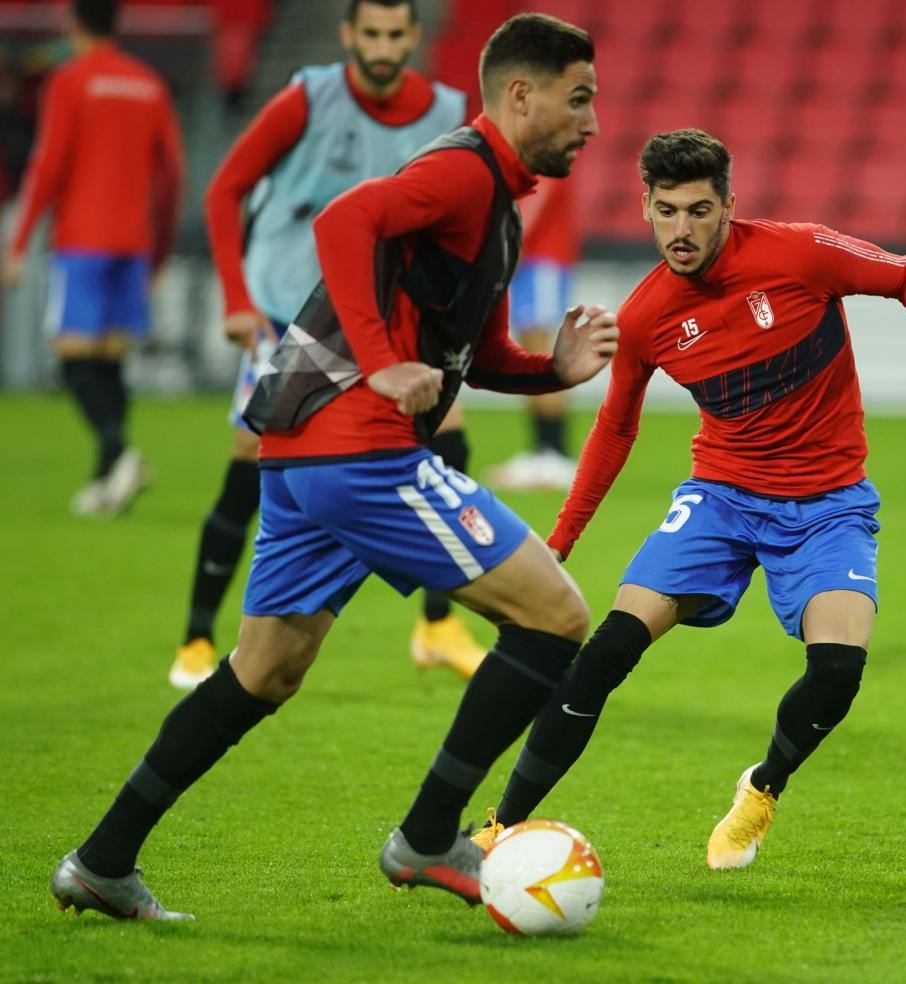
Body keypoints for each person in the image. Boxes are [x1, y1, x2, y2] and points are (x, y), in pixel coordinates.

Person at [50, 12, 615, 921]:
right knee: (556, 616)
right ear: (521, 95)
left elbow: (473, 352)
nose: (591, 122)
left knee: (261, 672)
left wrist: (550, 371)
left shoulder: (496, 205)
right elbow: (346, 217)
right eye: (579, 99)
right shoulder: (460, 170)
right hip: (362, 452)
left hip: (304, 454)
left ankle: (102, 860)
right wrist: (381, 358)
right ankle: (431, 838)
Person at [471, 129, 906, 870]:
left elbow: (905, 271)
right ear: (645, 206)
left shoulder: (798, 253)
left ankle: (762, 790)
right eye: (667, 211)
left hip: (829, 504)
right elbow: (615, 431)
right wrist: (562, 539)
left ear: (728, 208)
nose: (681, 230)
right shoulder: (647, 315)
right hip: (722, 498)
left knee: (837, 671)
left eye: (699, 211)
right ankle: (500, 828)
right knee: (604, 653)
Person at [172, 0, 480, 691]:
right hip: (289, 317)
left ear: (413, 37)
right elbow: (226, 189)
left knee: (447, 434)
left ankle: (437, 624)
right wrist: (235, 299)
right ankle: (195, 636)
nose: (382, 46)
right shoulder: (307, 98)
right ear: (347, 35)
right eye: (369, 33)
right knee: (250, 461)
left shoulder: (448, 114)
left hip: (381, 325)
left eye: (395, 34)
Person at [2, 0, 182, 517]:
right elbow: (171, 174)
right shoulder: (148, 83)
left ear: (73, 24)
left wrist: (18, 243)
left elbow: (48, 163)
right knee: (109, 359)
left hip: (83, 238)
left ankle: (120, 454)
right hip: (135, 242)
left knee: (73, 358)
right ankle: (108, 478)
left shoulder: (69, 80)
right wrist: (161, 249)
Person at [486, 175, 581, 490]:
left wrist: (509, 244)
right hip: (533, 259)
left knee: (544, 354)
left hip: (542, 258)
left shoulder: (545, 157)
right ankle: (544, 452)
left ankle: (556, 455)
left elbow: (532, 203)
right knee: (531, 355)